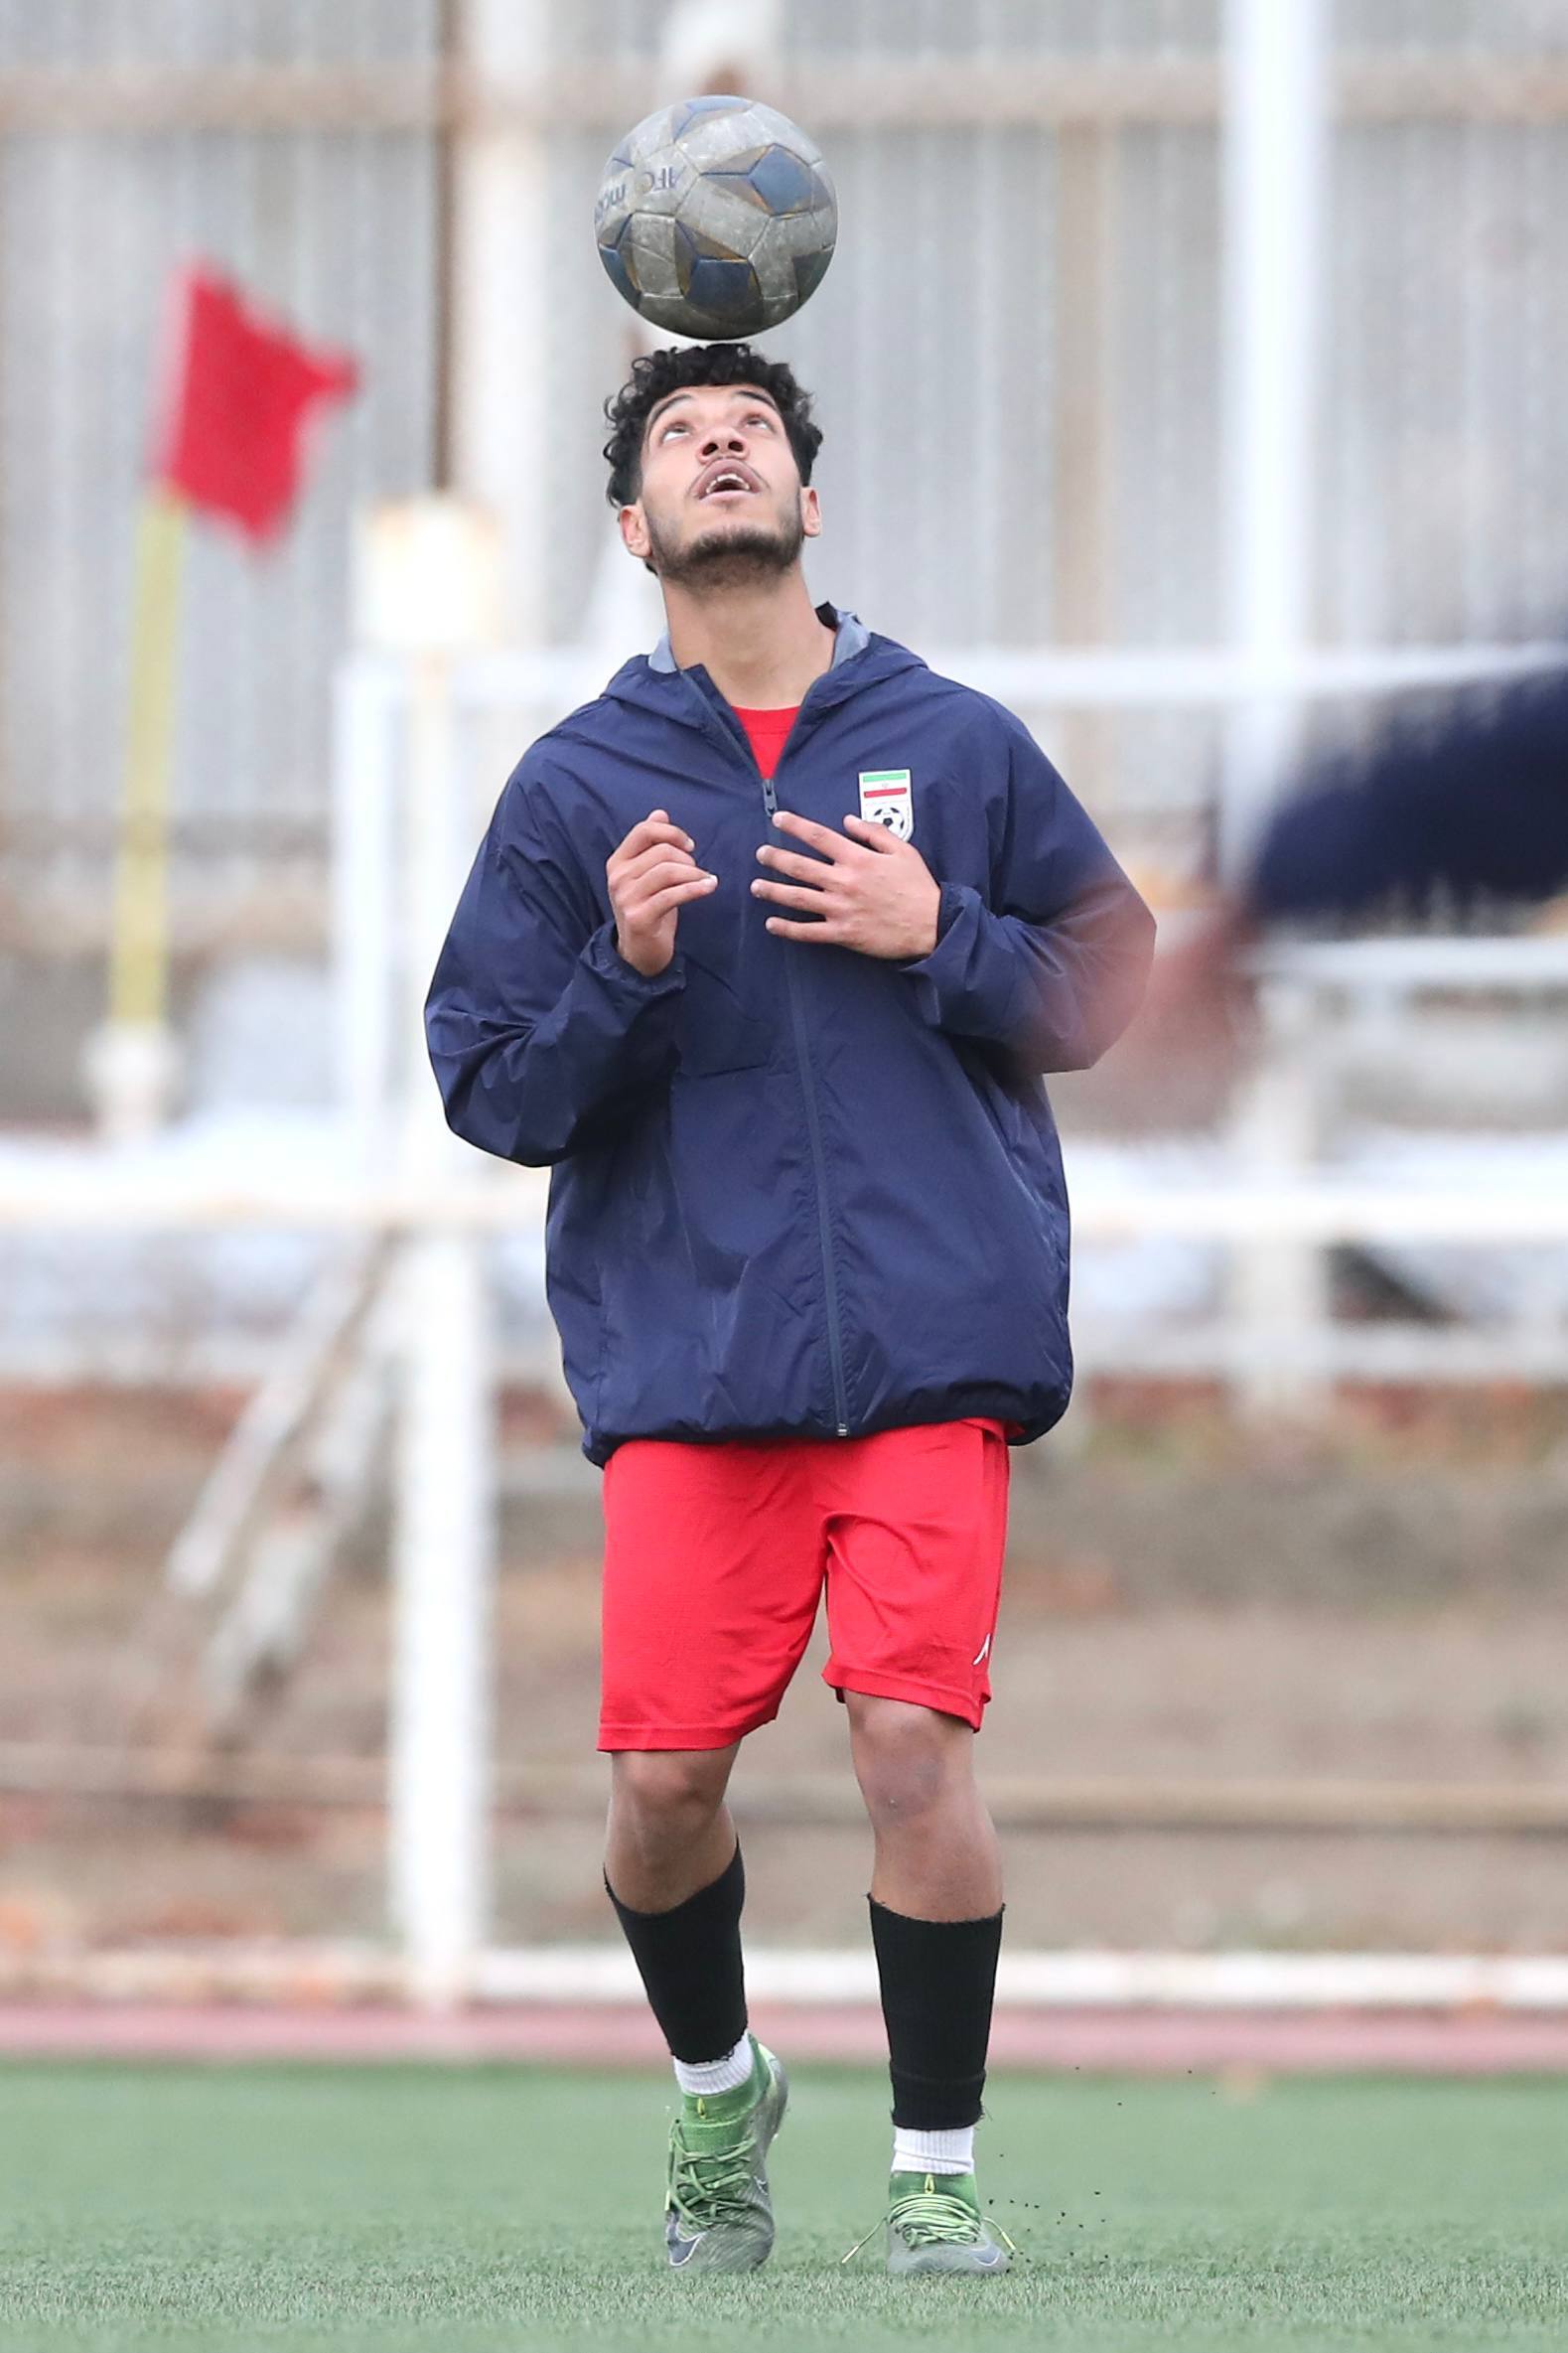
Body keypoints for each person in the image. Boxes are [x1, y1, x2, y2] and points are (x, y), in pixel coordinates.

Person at [425, 342, 1155, 2278]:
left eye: (750, 429)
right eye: (681, 435)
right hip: (694, 1355)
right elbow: (489, 1083)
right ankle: (715, 2092)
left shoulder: (958, 741)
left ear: (810, 500)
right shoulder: (574, 786)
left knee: (912, 1743)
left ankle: (935, 2168)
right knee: (663, 1788)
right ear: (635, 526)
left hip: (928, 1347)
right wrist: (623, 966)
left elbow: (1117, 980)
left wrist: (947, 935)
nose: (721, 445)